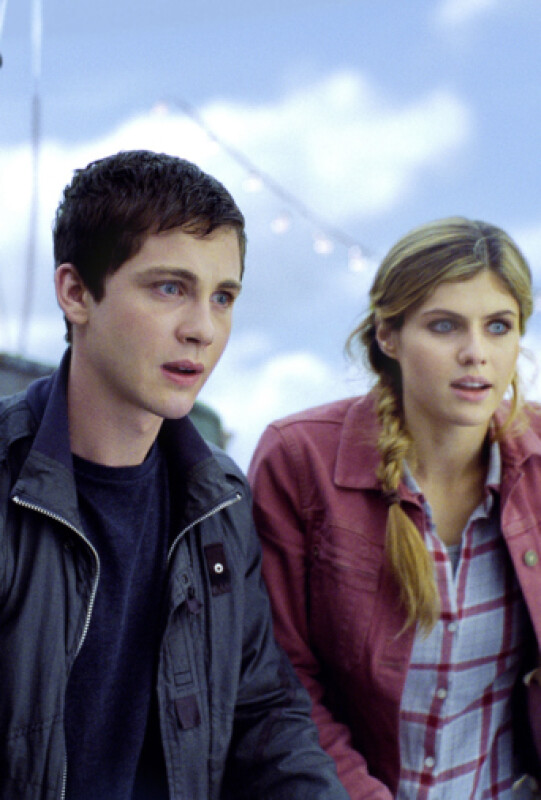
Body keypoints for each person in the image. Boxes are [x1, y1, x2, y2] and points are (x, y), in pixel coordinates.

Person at [0, 149, 351, 800]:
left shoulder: (219, 498)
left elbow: (262, 711)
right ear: (75, 293)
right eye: (169, 288)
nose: (203, 329)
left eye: (223, 297)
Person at [248, 217, 541, 799]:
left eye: (498, 326)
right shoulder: (298, 459)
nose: (476, 354)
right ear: (388, 335)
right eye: (444, 326)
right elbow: (281, 682)